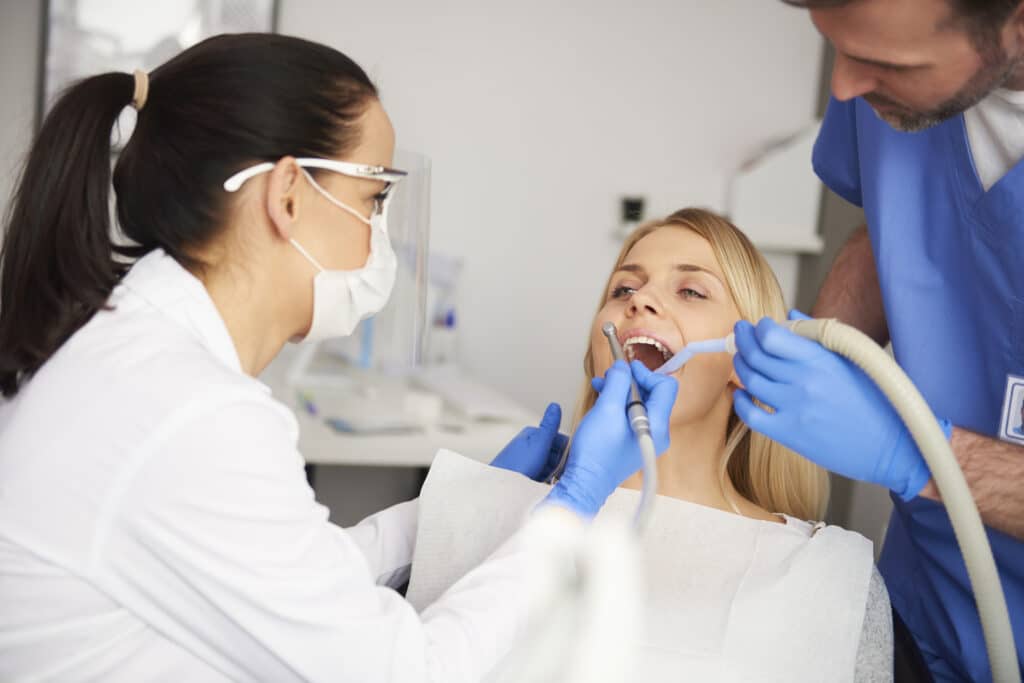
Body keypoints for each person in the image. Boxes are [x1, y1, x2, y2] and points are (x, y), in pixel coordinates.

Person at [0, 33, 677, 681]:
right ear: (289, 194)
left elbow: (288, 575)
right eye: (372, 200)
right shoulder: (189, 414)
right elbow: (413, 672)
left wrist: (454, 506)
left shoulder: (142, 360)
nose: (379, 235)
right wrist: (570, 507)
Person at [406, 209, 893, 681]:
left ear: (750, 359)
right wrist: (472, 503)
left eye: (691, 290)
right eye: (624, 288)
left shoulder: (827, 577)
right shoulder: (491, 513)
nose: (640, 302)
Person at [730, 1, 1024, 680]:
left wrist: (919, 455)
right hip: (917, 607)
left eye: (888, 63)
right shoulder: (871, 78)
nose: (842, 86)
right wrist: (810, 351)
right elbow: (899, 228)